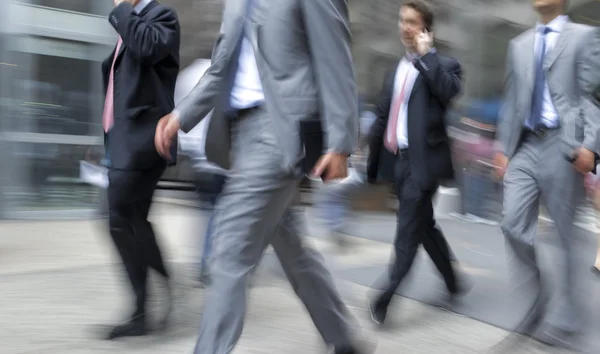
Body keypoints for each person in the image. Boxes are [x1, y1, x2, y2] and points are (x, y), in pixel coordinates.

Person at [154, 1, 370, 353]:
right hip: (240, 133)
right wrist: (180, 116)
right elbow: (220, 67)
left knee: (229, 248)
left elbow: (335, 60)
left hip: (280, 130)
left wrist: (342, 143)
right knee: (291, 246)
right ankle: (345, 337)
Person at [493, 0, 600, 347]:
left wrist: (591, 145)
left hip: (563, 144)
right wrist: (502, 148)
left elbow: (592, 97)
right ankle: (539, 296)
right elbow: (512, 100)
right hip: (525, 144)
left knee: (565, 235)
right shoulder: (518, 45)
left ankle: (568, 319)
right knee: (511, 222)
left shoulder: (585, 37)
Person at [366, 0, 468, 326]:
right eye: (402, 20)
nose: (404, 27)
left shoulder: (444, 65)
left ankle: (385, 296)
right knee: (423, 226)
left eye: (412, 22)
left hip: (424, 164)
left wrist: (427, 56)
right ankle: (453, 281)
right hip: (398, 162)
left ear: (426, 29)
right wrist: (371, 161)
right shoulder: (395, 69)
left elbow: (449, 91)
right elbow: (384, 115)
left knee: (407, 230)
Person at [101, 0, 180, 339]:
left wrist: (121, 10)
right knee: (131, 219)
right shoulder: (132, 24)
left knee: (118, 215)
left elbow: (147, 48)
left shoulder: (162, 16)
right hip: (123, 142)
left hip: (145, 140)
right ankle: (154, 293)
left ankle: (145, 305)